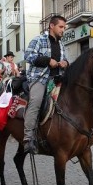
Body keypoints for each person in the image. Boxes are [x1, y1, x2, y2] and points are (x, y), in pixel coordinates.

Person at [23, 15, 69, 154]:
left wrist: (65, 63)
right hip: (40, 79)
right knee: (36, 101)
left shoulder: (61, 44)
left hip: (57, 79)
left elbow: (66, 59)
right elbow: (28, 56)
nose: (63, 30)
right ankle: (28, 138)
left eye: (64, 28)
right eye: (61, 27)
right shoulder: (38, 40)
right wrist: (48, 60)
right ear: (51, 26)